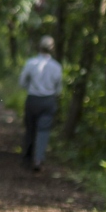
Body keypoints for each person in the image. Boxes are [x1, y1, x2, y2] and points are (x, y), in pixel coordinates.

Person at [18, 35, 62, 171]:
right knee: (43, 130)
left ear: (39, 47)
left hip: (33, 99)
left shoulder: (31, 63)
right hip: (48, 101)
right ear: (52, 49)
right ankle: (38, 159)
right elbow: (58, 89)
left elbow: (22, 83)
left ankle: (27, 158)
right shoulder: (56, 67)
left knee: (30, 129)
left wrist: (33, 87)